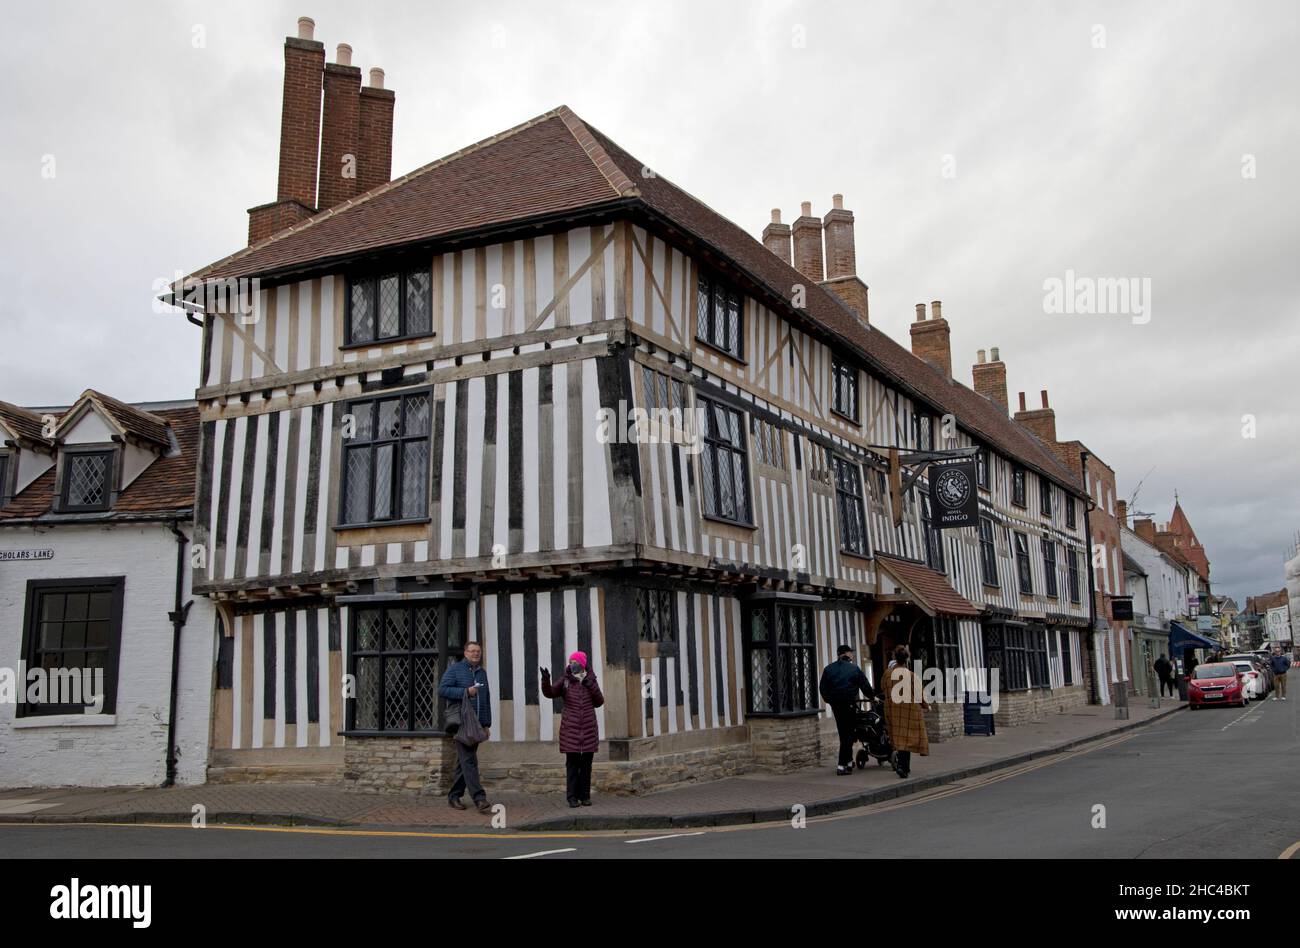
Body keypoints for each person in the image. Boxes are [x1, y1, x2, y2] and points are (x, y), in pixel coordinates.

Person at [541, 651, 604, 807]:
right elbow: (550, 693)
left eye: (575, 661)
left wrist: (590, 684)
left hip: (588, 729)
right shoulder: (565, 681)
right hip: (571, 730)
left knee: (586, 767)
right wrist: (545, 680)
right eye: (570, 661)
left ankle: (585, 796)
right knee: (572, 766)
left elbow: (599, 701)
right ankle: (572, 798)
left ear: (582, 664)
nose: (572, 664)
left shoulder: (591, 679)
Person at [439, 640, 492, 812]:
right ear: (465, 652)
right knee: (469, 760)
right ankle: (479, 798)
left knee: (464, 763)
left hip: (476, 724)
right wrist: (465, 692)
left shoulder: (482, 673)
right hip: (462, 723)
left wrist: (486, 724)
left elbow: (485, 700)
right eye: (472, 651)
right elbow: (442, 689)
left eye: (478, 651)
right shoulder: (455, 669)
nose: (476, 654)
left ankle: (454, 796)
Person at [819, 643, 875, 776]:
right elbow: (865, 686)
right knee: (848, 735)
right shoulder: (854, 669)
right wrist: (873, 697)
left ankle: (849, 762)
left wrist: (830, 701)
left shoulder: (828, 669)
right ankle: (842, 765)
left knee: (844, 733)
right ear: (847, 654)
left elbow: (823, 688)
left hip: (837, 706)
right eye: (851, 652)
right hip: (849, 704)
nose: (852, 654)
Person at [880, 645, 929, 779]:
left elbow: (882, 687)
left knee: (899, 737)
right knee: (906, 739)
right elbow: (919, 695)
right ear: (907, 659)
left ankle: (902, 766)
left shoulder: (887, 674)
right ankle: (903, 767)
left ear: (895, 658)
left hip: (892, 709)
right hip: (910, 710)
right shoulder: (911, 675)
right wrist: (926, 705)